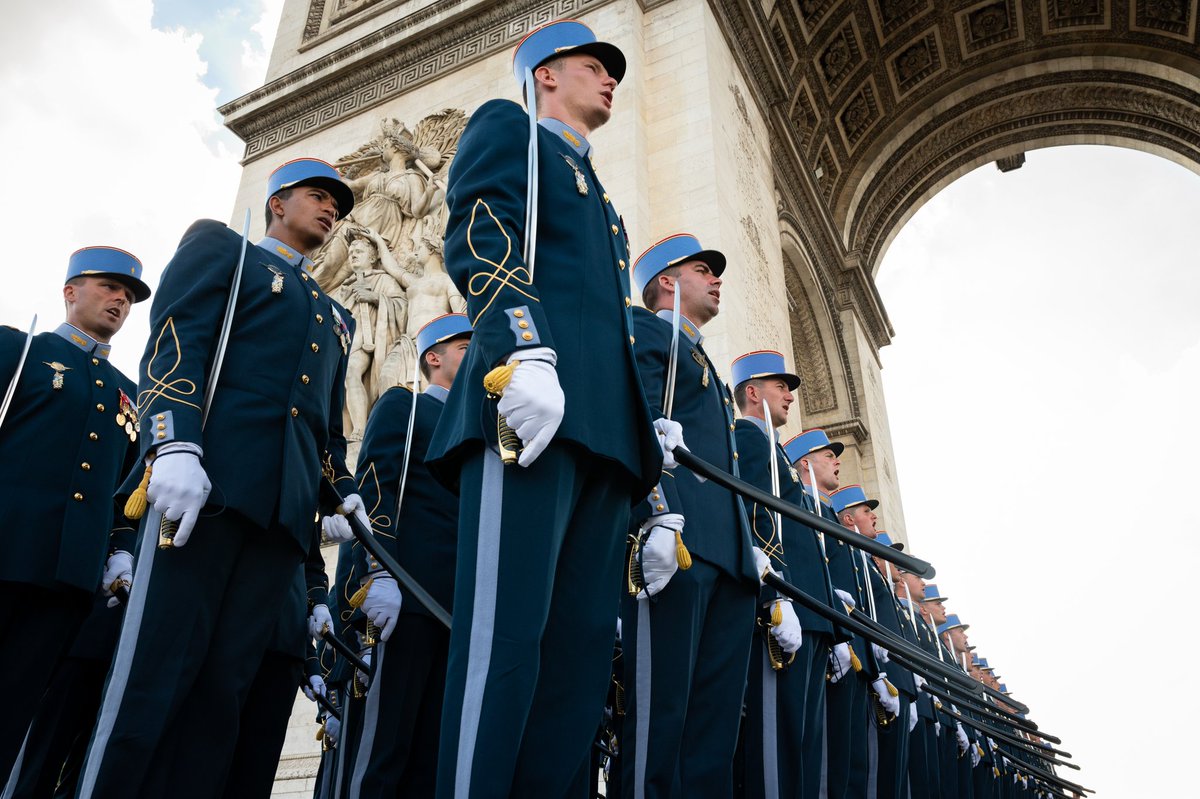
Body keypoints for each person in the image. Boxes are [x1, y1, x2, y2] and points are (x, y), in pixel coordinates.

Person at [425, 19, 666, 798]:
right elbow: (482, 233)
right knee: (504, 640)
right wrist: (523, 348)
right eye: (593, 66)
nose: (610, 80)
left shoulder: (605, 201)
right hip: (527, 412)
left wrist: (649, 468)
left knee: (577, 658)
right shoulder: (510, 130)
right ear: (544, 75)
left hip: (603, 436)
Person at [76, 158, 367, 798]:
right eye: (317, 197)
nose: (329, 212)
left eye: (336, 207)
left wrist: (339, 491)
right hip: (205, 495)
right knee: (150, 679)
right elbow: (177, 343)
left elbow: (322, 426)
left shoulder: (332, 315)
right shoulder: (224, 250)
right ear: (276, 204)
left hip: (280, 522)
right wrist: (173, 445)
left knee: (221, 700)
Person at [0, 246, 150, 778]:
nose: (120, 301)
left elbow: (127, 493)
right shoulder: (18, 351)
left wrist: (119, 552)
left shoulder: (129, 394)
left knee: (11, 718)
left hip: (68, 580)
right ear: (70, 291)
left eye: (128, 296)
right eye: (109, 287)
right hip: (7, 551)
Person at [619, 235, 758, 798]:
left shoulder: (703, 362)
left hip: (725, 555)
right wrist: (653, 512)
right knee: (661, 715)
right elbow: (640, 422)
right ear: (668, 283)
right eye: (704, 270)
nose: (717, 280)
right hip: (677, 541)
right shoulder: (647, 331)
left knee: (712, 729)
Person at [346, 312, 472, 797]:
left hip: (461, 607)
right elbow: (377, 485)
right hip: (412, 593)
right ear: (433, 358)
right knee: (387, 747)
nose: (478, 355)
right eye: (466, 348)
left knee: (436, 752)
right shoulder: (407, 405)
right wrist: (379, 571)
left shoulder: (481, 426)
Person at [731, 351, 835, 799]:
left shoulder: (771, 448)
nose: (790, 395)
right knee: (777, 742)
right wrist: (777, 594)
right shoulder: (750, 440)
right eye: (780, 386)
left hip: (807, 612)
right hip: (782, 606)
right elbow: (759, 515)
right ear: (753, 393)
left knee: (802, 744)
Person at [831, 485, 916, 799]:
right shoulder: (854, 557)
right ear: (850, 519)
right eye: (867, 511)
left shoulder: (871, 573)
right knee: (850, 760)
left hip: (879, 673)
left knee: (874, 768)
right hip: (856, 661)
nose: (875, 516)